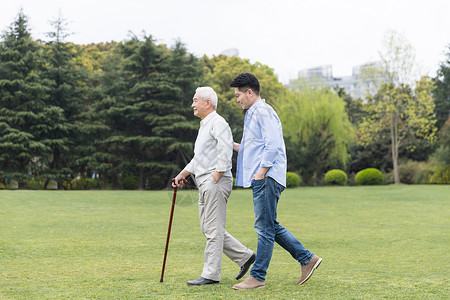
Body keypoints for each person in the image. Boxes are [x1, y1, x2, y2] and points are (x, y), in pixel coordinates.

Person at [230, 73, 322, 290]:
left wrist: (261, 172)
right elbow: (253, 147)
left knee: (263, 228)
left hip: (267, 177)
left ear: (249, 92)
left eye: (238, 95)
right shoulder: (255, 114)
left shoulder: (263, 111)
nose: (237, 99)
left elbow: (273, 145)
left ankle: (258, 276)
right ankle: (307, 259)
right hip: (264, 177)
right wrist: (229, 144)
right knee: (270, 225)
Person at [172, 86, 255, 286]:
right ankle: (245, 257)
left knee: (213, 230)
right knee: (208, 227)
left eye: (195, 100)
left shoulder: (218, 123)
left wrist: (216, 176)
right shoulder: (205, 125)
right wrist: (182, 174)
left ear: (207, 103)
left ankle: (210, 274)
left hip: (214, 181)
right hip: (205, 181)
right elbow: (198, 158)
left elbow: (225, 150)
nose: (192, 104)